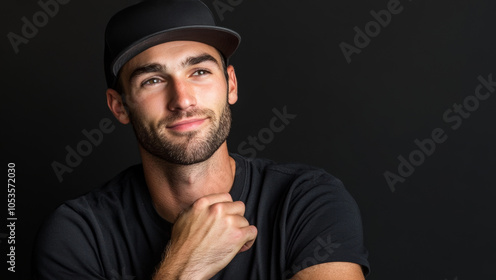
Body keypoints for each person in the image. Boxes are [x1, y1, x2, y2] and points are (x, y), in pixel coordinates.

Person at [32, 0, 370, 279]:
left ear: (231, 85)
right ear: (119, 106)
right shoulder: (78, 235)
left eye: (199, 72)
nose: (183, 99)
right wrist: (184, 268)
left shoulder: (307, 201)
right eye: (152, 80)